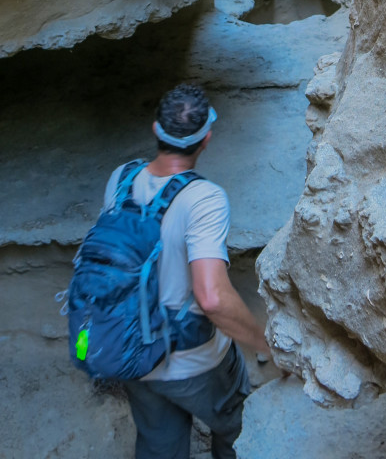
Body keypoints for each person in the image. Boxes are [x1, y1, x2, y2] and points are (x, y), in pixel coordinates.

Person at [105, 83, 268, 459]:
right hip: (193, 361)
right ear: (206, 139)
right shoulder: (205, 200)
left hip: (130, 349)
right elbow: (211, 297)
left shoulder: (120, 180)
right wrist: (262, 342)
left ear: (155, 130)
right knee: (239, 427)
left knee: (158, 442)